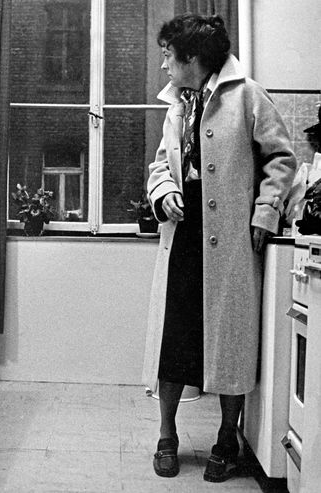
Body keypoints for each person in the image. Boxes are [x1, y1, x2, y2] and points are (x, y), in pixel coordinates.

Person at [142, 14, 296, 483]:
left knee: (230, 346)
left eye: (169, 54)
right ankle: (166, 435)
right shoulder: (177, 107)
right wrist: (162, 189)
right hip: (183, 238)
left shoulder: (247, 95)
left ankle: (226, 439)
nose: (164, 63)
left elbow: (280, 158)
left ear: (192, 58)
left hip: (229, 244)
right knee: (174, 343)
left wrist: (265, 212)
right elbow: (159, 164)